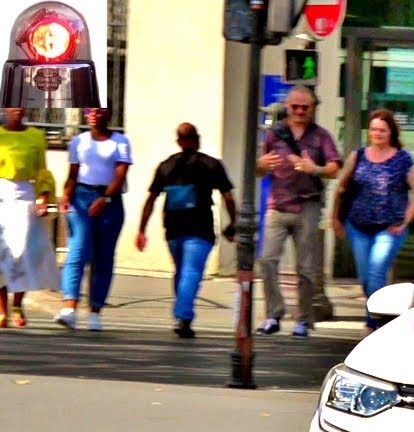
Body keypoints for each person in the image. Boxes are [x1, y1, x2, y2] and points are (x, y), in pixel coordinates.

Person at [135, 123, 237, 339]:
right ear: (197, 139)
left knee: (181, 271)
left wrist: (141, 229)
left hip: (172, 228)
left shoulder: (166, 166)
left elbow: (151, 199)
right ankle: (183, 315)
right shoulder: (211, 165)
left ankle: (183, 315)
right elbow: (227, 196)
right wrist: (233, 223)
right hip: (200, 228)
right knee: (191, 272)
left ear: (179, 141)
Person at [255, 85, 340, 338]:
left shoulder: (321, 136)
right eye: (295, 107)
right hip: (277, 205)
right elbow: (260, 171)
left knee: (306, 268)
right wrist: (260, 165)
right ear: (287, 107)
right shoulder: (274, 135)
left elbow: (335, 168)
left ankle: (303, 320)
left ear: (313, 108)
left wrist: (314, 168)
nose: (300, 111)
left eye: (305, 107)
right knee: (267, 260)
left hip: (307, 205)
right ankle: (273, 314)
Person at [331, 109, 414, 334]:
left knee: (376, 271)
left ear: (391, 132)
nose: (377, 134)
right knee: (365, 277)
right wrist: (334, 218)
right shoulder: (359, 155)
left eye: (382, 130)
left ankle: (373, 322)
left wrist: (405, 220)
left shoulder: (402, 158)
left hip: (389, 228)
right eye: (374, 129)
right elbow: (342, 187)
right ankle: (384, 314)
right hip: (358, 225)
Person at [57, 107, 131, 331]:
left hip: (110, 201)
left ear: (108, 114)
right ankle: (69, 308)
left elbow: (120, 175)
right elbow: (72, 174)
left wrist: (105, 199)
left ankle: (95, 312)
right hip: (81, 196)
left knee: (103, 257)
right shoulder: (79, 141)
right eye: (88, 110)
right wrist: (67, 195)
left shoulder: (120, 141)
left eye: (98, 111)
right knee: (78, 251)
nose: (92, 114)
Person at [0, 107, 58, 328]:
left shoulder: (36, 136)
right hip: (2, 194)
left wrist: (43, 196)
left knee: (23, 251)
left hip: (25, 195)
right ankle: (2, 309)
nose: (17, 110)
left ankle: (18, 304)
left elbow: (42, 171)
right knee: (2, 253)